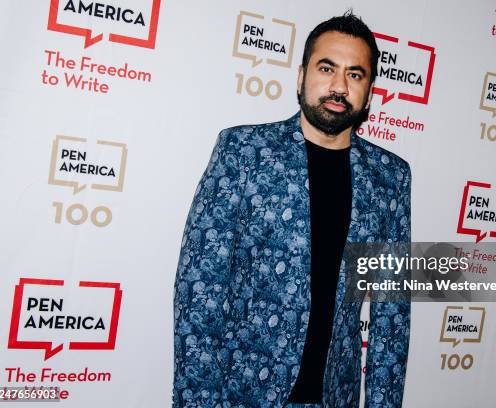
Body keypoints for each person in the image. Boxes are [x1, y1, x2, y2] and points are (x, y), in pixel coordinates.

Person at [173, 11, 411, 408]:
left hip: (334, 397)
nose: (339, 86)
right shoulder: (244, 153)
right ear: (301, 76)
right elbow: (199, 294)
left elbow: (393, 316)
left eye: (355, 75)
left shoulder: (391, 178)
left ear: (369, 93)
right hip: (240, 395)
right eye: (326, 68)